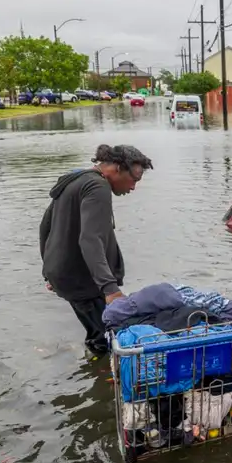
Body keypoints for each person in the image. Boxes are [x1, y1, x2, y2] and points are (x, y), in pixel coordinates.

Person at [39, 144, 153, 355]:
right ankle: (105, 377)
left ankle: (94, 375)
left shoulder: (76, 179)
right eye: (134, 179)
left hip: (66, 275)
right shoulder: (97, 186)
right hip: (83, 279)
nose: (133, 187)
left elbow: (45, 226)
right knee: (109, 338)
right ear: (117, 167)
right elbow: (90, 239)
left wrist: (49, 270)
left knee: (98, 332)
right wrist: (110, 289)